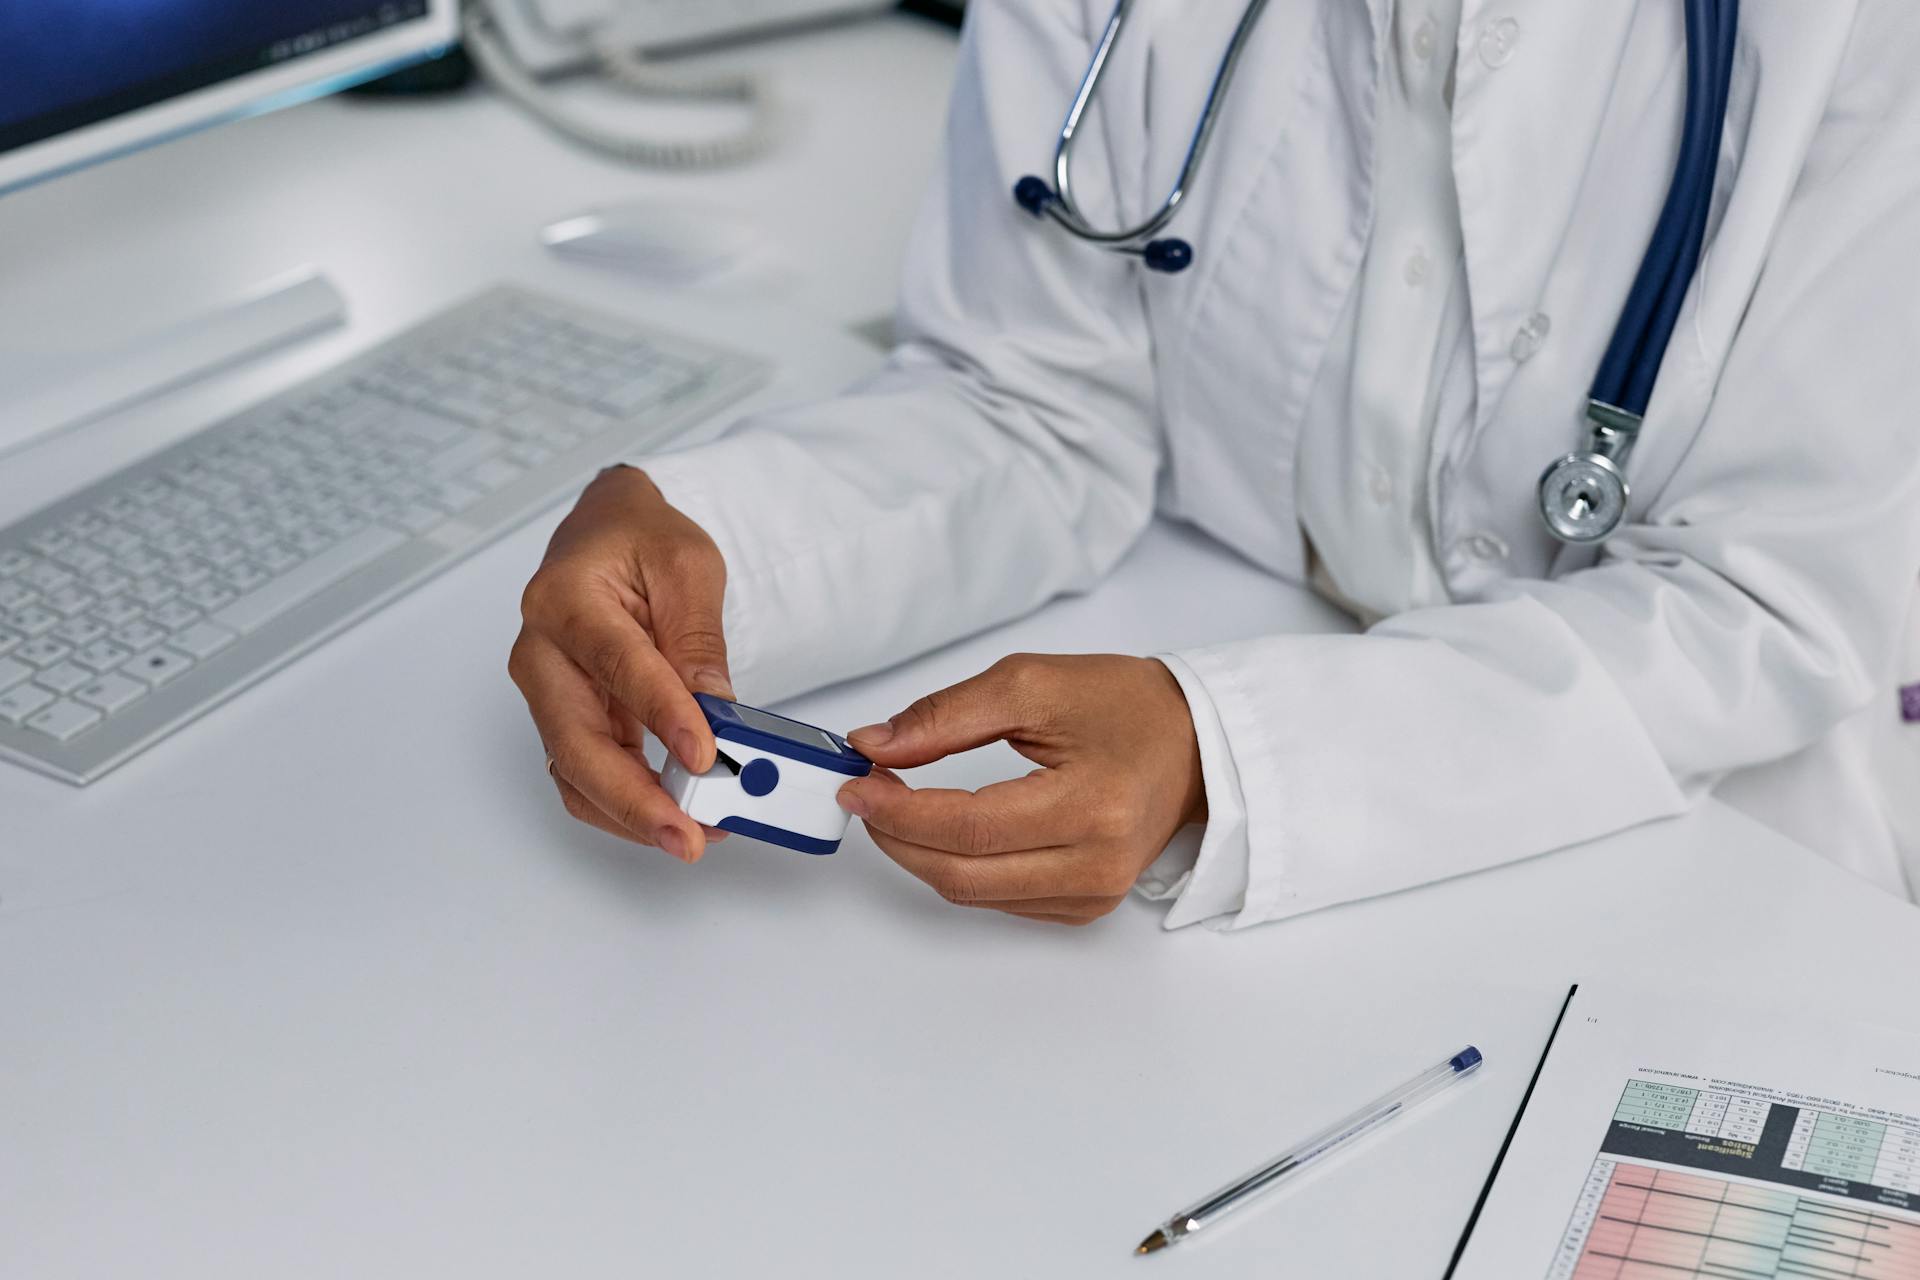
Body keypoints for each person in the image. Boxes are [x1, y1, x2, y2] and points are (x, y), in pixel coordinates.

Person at [509, 0, 1920, 927]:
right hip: (1238, 857)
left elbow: (1763, 608)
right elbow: (1037, 402)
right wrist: (715, 541)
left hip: (1719, 868)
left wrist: (1227, 755)